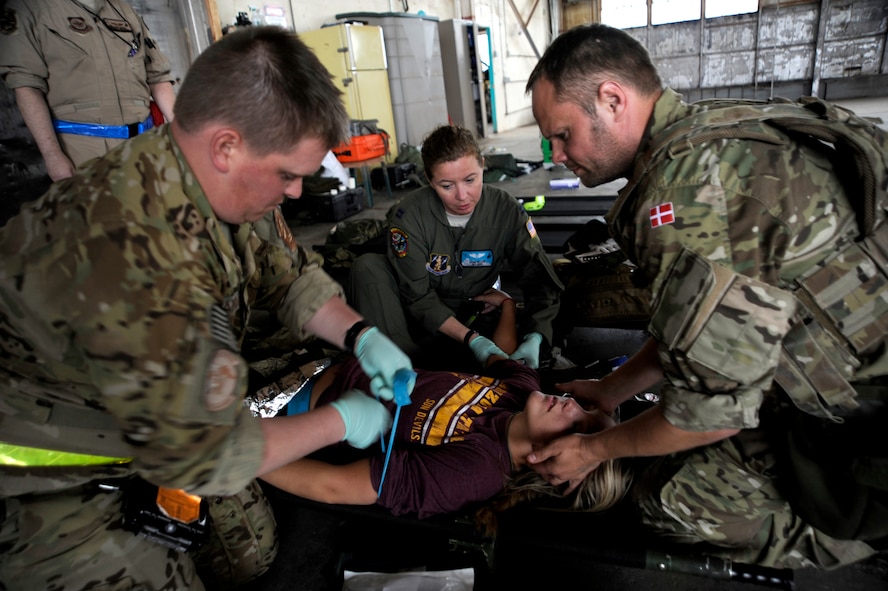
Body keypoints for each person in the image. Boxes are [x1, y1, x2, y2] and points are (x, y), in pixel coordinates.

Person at [0, 26, 415, 590]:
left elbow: (283, 275)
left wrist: (362, 334)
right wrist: (340, 420)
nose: (295, 193)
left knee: (248, 557)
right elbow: (208, 456)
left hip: (147, 423)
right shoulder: (136, 254)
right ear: (226, 146)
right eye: (288, 175)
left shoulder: (201, 176)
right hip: (51, 479)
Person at [522, 23, 886, 569]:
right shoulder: (709, 131)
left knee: (671, 498)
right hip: (851, 359)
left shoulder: (685, 199)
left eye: (563, 134)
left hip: (868, 424)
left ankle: (861, 532)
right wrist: (611, 390)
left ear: (612, 99)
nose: (556, 155)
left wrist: (591, 451)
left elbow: (712, 415)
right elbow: (695, 331)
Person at [260, 288, 624, 519]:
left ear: (552, 465)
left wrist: (247, 455)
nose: (571, 404)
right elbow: (493, 352)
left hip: (287, 406)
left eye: (578, 427)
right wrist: (509, 306)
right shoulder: (521, 391)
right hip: (327, 357)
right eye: (585, 407)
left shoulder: (472, 474)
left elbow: (332, 487)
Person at [349, 124, 564, 371]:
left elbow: (541, 281)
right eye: (447, 185)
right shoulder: (409, 216)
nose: (462, 196)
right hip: (415, 315)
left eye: (470, 180)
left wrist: (535, 336)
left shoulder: (505, 211)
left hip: (476, 311)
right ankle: (407, 370)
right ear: (429, 179)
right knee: (368, 267)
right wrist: (472, 340)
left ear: (482, 165)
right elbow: (417, 297)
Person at [0, 0, 177, 181]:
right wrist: (52, 155)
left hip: (144, 146)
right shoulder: (28, 8)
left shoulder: (122, 9)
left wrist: (183, 133)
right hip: (83, 154)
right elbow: (26, 87)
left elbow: (158, 77)